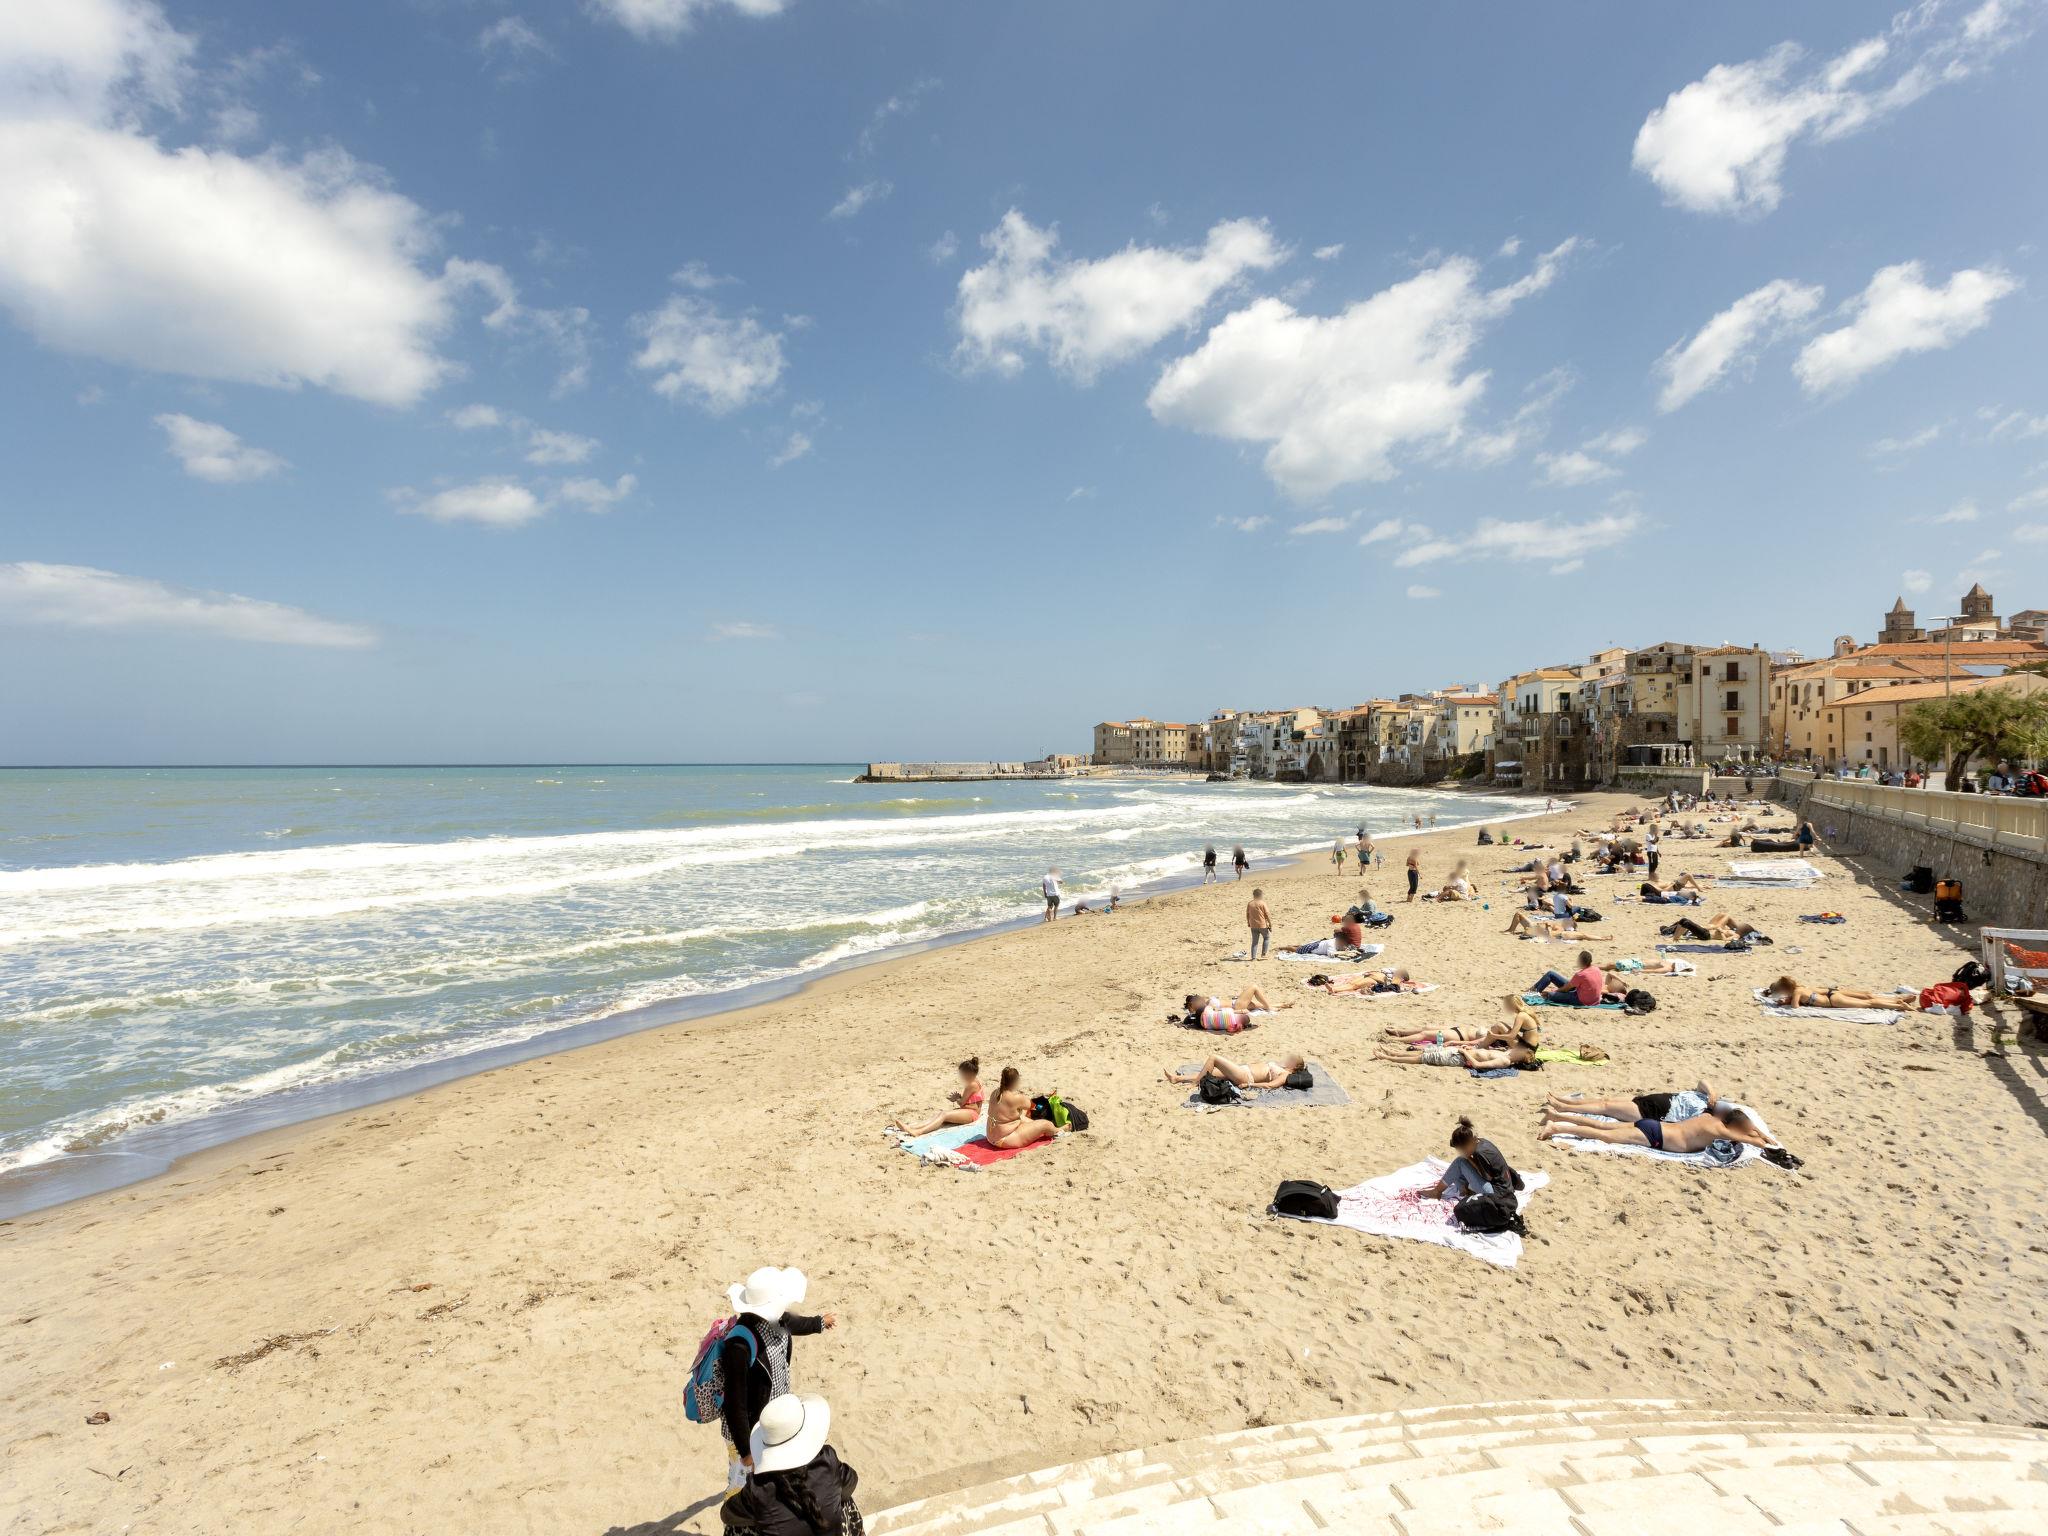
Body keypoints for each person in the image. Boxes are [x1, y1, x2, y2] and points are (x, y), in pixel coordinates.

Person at [719, 1268, 838, 1492]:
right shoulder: (738, 1347)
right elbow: (734, 1404)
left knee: (771, 1479)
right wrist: (746, 1452)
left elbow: (795, 1323)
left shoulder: (778, 1320)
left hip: (772, 1419)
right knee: (742, 1488)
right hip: (747, 1431)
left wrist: (819, 1323)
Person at [722, 1393, 860, 1536]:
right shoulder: (827, 1460)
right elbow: (852, 1482)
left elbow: (727, 1514)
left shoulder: (759, 1488)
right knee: (842, 1497)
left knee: (737, 1527)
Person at [1539, 1103, 1776, 1153]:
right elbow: (1759, 1142)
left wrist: (1751, 1128)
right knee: (1604, 1136)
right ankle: (1556, 1128)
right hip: (1656, 1136)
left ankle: (1558, 1115)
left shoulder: (1708, 1116)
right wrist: (1760, 1133)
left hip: (1655, 1126)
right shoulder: (1722, 1132)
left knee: (1603, 1125)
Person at [1544, 1079, 1720, 1126]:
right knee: (1605, 1100)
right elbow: (1702, 1082)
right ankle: (1564, 1100)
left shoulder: (1706, 1117)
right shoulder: (1708, 1099)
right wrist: (1712, 1093)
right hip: (1652, 1099)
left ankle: (1563, 1107)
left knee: (1605, 1107)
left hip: (1651, 1113)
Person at [1418, 1117, 1514, 1202]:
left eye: (1461, 1149)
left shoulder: (1479, 1153)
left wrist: (1468, 1158)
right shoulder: (1481, 1142)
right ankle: (1465, 1189)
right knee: (1456, 1171)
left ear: (1465, 1145)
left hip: (1497, 1193)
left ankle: (1437, 1192)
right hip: (1504, 1188)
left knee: (1460, 1162)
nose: (1461, 1152)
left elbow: (1487, 1177)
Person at [889, 1058, 985, 1138]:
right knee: (940, 1115)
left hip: (971, 1114)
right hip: (969, 1112)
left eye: (962, 1074)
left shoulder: (971, 1085)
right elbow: (971, 1100)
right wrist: (959, 1097)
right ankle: (910, 1127)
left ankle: (919, 1132)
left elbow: (962, 1103)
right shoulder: (976, 1081)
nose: (961, 1076)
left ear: (967, 1073)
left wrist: (956, 1098)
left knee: (944, 1115)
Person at [984, 1065, 1059, 1148]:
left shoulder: (995, 1093)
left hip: (990, 1136)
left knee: (1022, 1117)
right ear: (1016, 1081)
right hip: (1005, 1139)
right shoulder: (1015, 1098)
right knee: (1046, 1124)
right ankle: (1058, 1130)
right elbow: (1034, 1106)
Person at [1162, 1052, 1305, 1089]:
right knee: (1207, 1072)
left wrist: (1249, 1085)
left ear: (1295, 1066)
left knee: (1213, 1058)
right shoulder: (1282, 1067)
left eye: (1292, 1059)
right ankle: (1177, 1078)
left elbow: (1270, 1085)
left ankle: (1194, 1084)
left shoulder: (1285, 1074)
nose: (1289, 1058)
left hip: (1245, 1077)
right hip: (1243, 1070)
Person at [1181, 985, 1295, 1032]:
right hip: (1236, 1006)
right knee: (1254, 987)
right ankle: (1270, 1008)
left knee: (1261, 1005)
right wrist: (1238, 1011)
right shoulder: (1206, 1009)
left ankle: (1282, 1005)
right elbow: (1220, 1012)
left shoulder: (1206, 1003)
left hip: (1236, 1003)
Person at [1761, 977, 1899, 1010]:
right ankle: (1897, 1000)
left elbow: (1795, 1007)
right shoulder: (1800, 987)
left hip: (1832, 1001)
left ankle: (1899, 1005)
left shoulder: (1797, 992)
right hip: (1831, 992)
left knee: (1869, 1003)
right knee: (1868, 996)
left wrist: (1787, 1003)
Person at [1530, 950, 1610, 1006]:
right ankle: (1534, 989)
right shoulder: (1596, 969)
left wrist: (1555, 991)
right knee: (1551, 974)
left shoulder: (1581, 974)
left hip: (1580, 1000)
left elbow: (1565, 989)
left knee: (1549, 995)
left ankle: (1535, 991)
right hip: (1593, 999)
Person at [1504, 909, 1577, 939]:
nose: (1566, 920)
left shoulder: (1561, 929)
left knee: (1518, 914)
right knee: (1518, 914)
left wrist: (1548, 927)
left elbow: (1551, 935)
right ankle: (1511, 930)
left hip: (1535, 928)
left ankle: (1511, 930)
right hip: (1534, 924)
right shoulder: (1559, 925)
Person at [1246, 887, 1272, 959]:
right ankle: (1263, 954)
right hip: (1262, 925)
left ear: (1253, 895)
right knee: (1266, 938)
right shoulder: (1262, 903)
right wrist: (1270, 924)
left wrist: (1248, 922)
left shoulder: (1250, 904)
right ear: (1261, 895)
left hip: (1253, 925)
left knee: (1254, 942)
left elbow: (1247, 914)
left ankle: (1253, 957)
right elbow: (1267, 915)